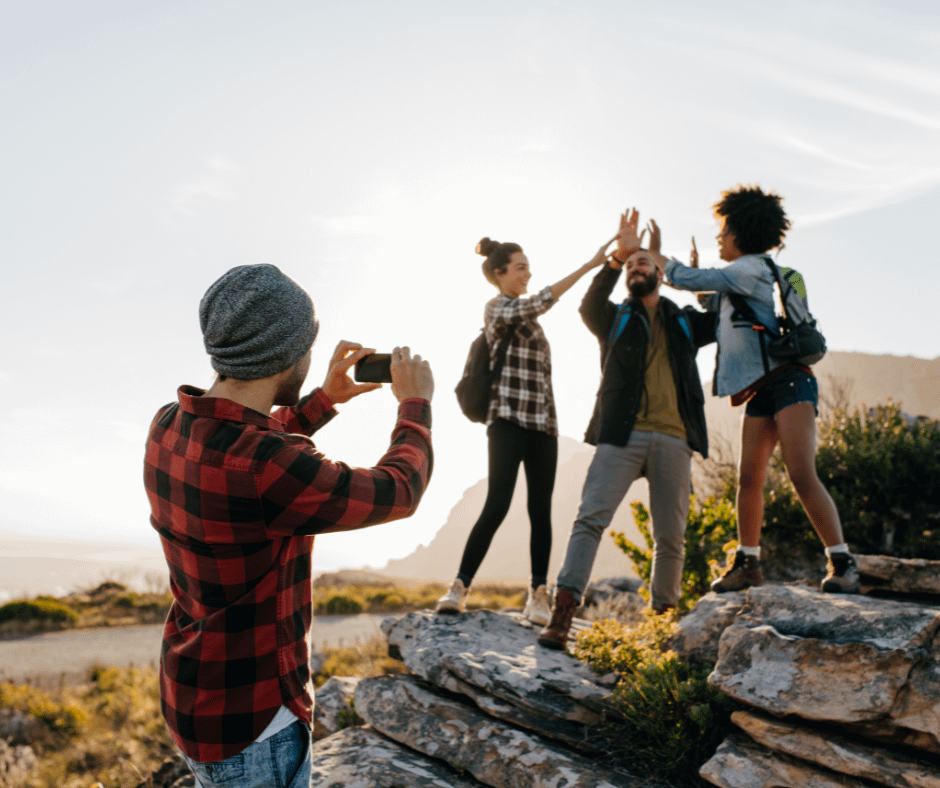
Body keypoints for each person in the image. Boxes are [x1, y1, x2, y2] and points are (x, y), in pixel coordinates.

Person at [143, 263, 434, 788]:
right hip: (256, 723)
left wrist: (324, 401)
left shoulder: (169, 424)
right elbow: (399, 491)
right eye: (307, 345)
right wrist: (415, 405)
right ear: (285, 355)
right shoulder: (267, 466)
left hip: (193, 696)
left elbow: (249, 445)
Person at [661, 184, 859, 594]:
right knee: (748, 480)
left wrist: (662, 260)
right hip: (762, 389)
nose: (719, 237)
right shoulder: (740, 279)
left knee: (801, 473)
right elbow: (715, 303)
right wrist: (703, 288)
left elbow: (693, 279)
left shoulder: (750, 267)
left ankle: (842, 563)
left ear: (742, 233)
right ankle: (747, 562)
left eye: (723, 230)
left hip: (790, 381)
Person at [537, 210, 717, 650]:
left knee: (670, 538)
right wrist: (615, 260)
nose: (636, 268)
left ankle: (662, 624)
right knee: (589, 520)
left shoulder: (683, 321)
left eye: (644, 263)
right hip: (620, 435)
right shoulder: (614, 317)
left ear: (659, 271)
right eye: (631, 266)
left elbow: (720, 318)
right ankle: (563, 612)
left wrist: (687, 280)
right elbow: (586, 306)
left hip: (675, 438)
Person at [436, 235, 615, 624]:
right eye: (520, 267)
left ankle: (538, 596)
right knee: (497, 502)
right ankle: (459, 587)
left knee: (540, 509)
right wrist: (588, 266)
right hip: (506, 419)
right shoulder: (497, 308)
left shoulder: (529, 321)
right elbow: (543, 301)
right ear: (500, 274)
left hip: (543, 424)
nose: (528, 273)